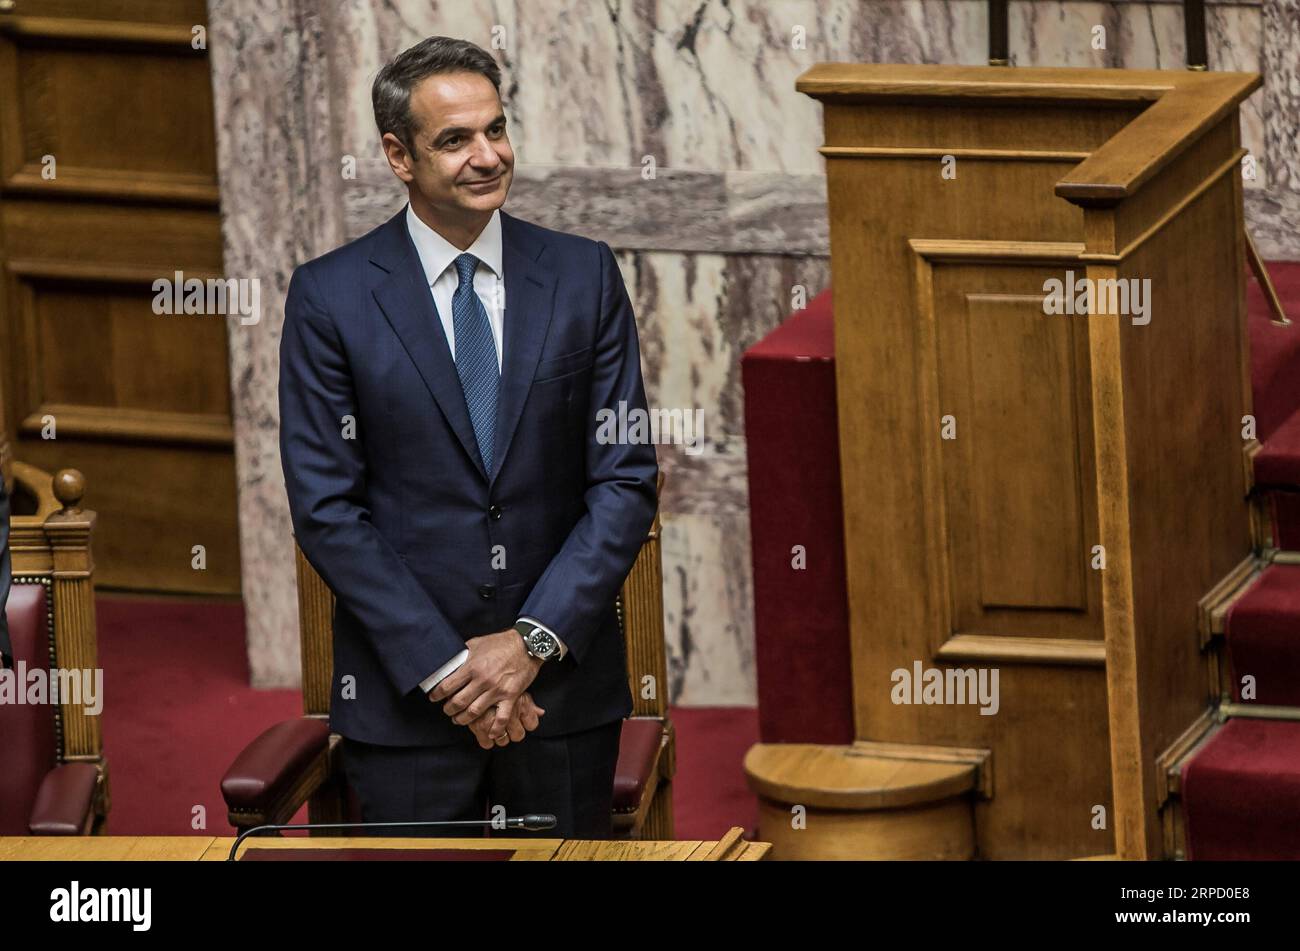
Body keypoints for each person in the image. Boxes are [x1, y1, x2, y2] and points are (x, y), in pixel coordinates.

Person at [278, 36, 659, 839]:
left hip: (559, 696)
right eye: (455, 139)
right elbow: (326, 508)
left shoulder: (583, 276)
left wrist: (529, 645)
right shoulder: (330, 298)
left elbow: (624, 479)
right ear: (398, 155)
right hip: (408, 704)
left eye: (496, 129)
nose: (487, 156)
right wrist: (455, 670)